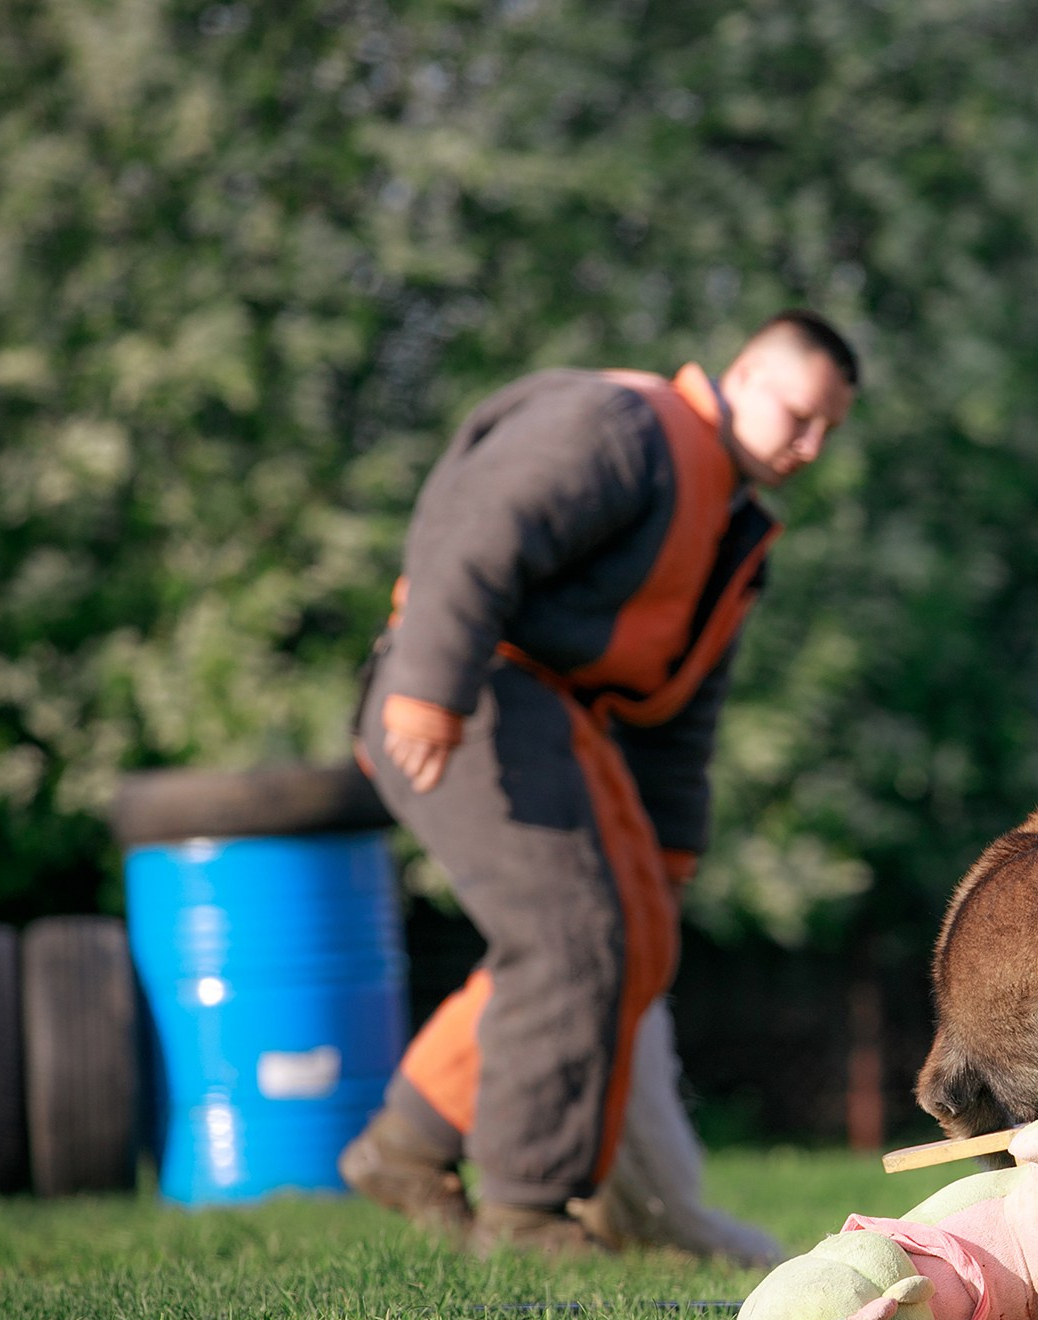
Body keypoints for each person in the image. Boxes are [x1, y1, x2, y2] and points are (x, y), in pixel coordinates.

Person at [340, 311, 858, 1255]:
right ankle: (529, 1209)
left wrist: (668, 854)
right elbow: (481, 523)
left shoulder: (730, 532)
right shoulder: (623, 425)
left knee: (634, 942)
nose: (811, 447)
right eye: (798, 416)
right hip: (469, 682)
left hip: (553, 717)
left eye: (829, 430)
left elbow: (678, 725)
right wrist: (426, 686)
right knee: (572, 937)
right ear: (740, 375)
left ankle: (408, 1149)